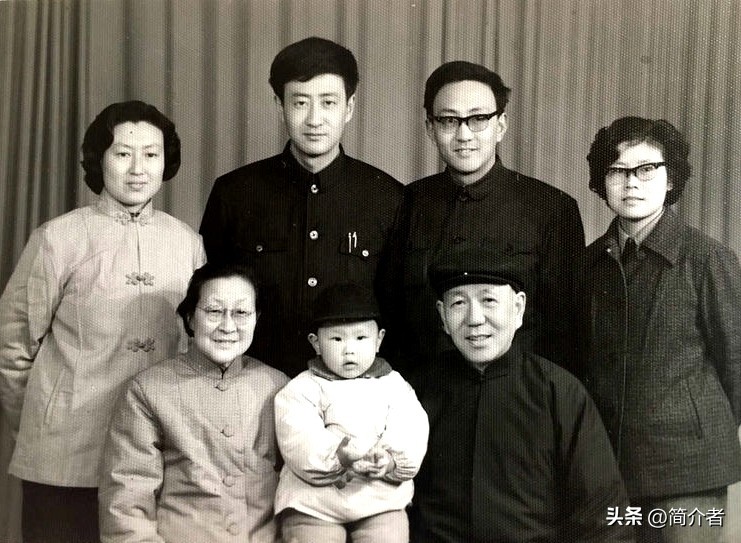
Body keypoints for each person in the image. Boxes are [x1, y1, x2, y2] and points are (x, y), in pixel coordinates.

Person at [0, 101, 205, 543]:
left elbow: (196, 348)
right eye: (123, 153)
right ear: (99, 160)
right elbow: (12, 347)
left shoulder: (187, 243)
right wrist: (40, 422)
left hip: (154, 455)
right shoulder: (57, 238)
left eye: (151, 154)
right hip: (63, 454)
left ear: (166, 162)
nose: (138, 169)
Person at [199, 37, 403, 377]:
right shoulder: (234, 193)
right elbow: (209, 302)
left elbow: (398, 314)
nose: (314, 119)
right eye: (300, 103)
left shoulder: (386, 197)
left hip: (353, 393)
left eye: (328, 102)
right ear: (280, 106)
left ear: (349, 107)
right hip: (251, 385)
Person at [584, 116, 741, 543]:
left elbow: (736, 366)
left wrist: (697, 429)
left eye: (647, 169)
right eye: (617, 171)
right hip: (609, 466)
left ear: (671, 179)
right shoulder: (588, 264)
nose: (631, 182)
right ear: (602, 182)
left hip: (690, 471)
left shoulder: (709, 259)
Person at [410, 244, 633, 542]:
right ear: (442, 316)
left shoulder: (558, 393)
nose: (474, 319)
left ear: (518, 308)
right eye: (459, 303)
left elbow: (603, 517)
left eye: (488, 300)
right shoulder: (412, 394)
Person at [386, 61, 586, 378]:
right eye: (449, 121)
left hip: (518, 395)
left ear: (501, 125)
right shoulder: (403, 204)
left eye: (478, 119)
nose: (464, 134)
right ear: (430, 128)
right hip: (420, 394)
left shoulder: (552, 208)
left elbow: (565, 333)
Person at [99, 263, 289, 542]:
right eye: (213, 311)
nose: (228, 326)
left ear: (256, 318)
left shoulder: (279, 386)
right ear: (190, 318)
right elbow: (128, 504)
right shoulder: (147, 390)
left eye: (241, 313)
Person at [274, 282, 428, 543]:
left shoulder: (394, 385)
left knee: (389, 535)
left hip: (379, 499)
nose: (349, 349)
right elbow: (298, 436)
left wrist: (390, 460)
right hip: (315, 503)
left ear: (379, 340)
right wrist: (339, 455)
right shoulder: (302, 388)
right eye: (337, 339)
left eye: (361, 338)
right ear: (316, 343)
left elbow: (411, 427)